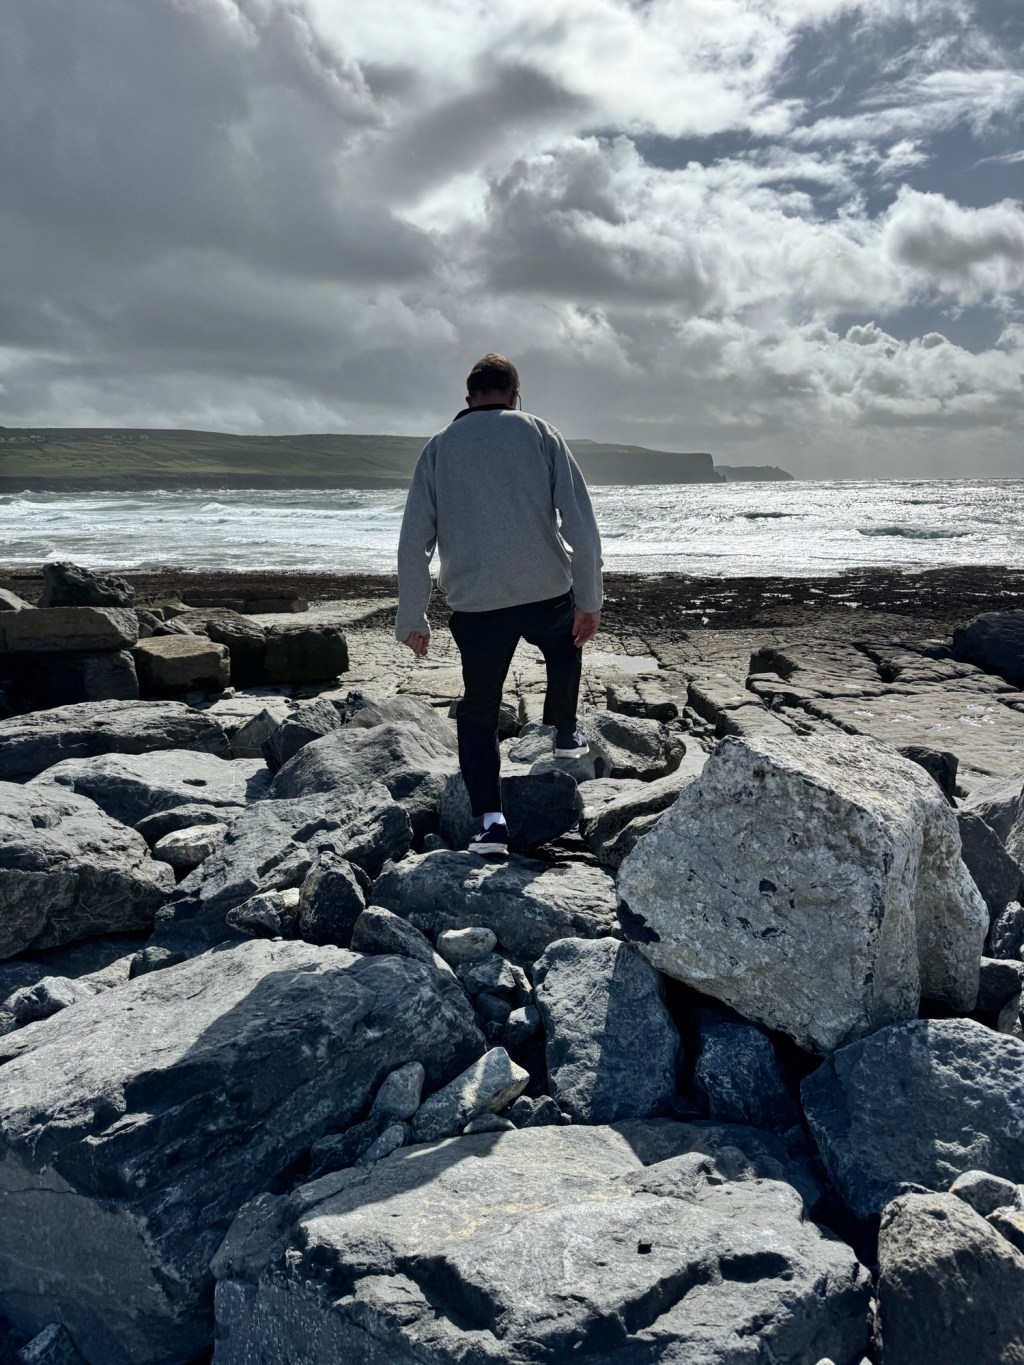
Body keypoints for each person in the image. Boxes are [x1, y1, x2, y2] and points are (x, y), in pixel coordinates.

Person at [395, 353, 603, 855]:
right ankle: (565, 731)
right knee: (565, 645)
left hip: (477, 602)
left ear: (469, 400)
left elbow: (414, 539)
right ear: (514, 395)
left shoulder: (440, 446)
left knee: (479, 709)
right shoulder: (539, 432)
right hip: (546, 592)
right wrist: (590, 599)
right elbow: (580, 521)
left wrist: (412, 614)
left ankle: (490, 822)